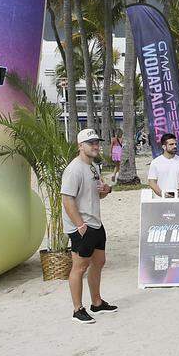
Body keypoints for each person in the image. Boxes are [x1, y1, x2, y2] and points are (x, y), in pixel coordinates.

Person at [60, 128, 116, 323]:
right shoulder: (73, 169)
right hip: (81, 226)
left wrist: (107, 190)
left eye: (97, 142)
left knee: (99, 262)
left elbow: (98, 194)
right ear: (80, 146)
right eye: (90, 143)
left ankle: (97, 302)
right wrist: (79, 225)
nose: (95, 146)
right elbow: (67, 200)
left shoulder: (93, 167)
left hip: (95, 222)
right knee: (80, 267)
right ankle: (77, 309)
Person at [147, 133, 179, 197]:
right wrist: (161, 194)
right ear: (164, 147)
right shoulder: (155, 162)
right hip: (160, 200)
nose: (175, 146)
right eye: (171, 144)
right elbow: (152, 182)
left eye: (175, 144)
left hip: (178, 199)